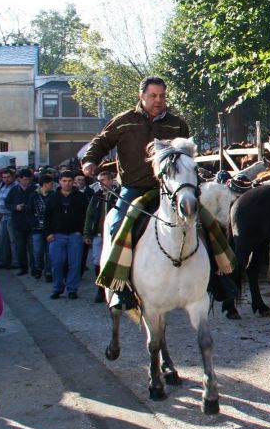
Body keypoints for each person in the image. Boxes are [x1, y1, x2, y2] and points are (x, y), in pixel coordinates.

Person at [80, 76, 189, 309]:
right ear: (141, 96)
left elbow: (186, 154)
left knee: (203, 219)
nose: (159, 100)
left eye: (162, 96)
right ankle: (120, 287)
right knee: (117, 224)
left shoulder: (177, 124)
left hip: (169, 188)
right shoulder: (123, 121)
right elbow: (100, 142)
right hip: (135, 188)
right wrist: (90, 161)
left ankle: (217, 279)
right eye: (153, 95)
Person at [43, 171, 88, 300]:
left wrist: (82, 232)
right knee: (56, 263)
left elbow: (86, 216)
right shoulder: (53, 197)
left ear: (73, 181)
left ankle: (72, 289)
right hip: (57, 236)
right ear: (60, 181)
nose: (67, 183)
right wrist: (48, 233)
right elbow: (46, 217)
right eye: (64, 181)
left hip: (75, 235)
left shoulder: (80, 197)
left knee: (75, 264)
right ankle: (58, 288)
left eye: (69, 181)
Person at [83, 170, 119, 303]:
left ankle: (115, 289)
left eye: (103, 180)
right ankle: (101, 289)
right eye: (99, 181)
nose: (101, 183)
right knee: (97, 262)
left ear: (110, 180)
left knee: (114, 261)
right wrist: (87, 233)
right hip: (98, 234)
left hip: (114, 235)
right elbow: (89, 215)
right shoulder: (96, 196)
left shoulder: (117, 195)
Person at [5, 169, 35, 276]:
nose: (27, 181)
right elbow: (7, 203)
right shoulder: (14, 190)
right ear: (20, 179)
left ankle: (34, 268)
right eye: (25, 179)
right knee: (20, 247)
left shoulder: (34, 189)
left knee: (32, 247)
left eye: (29, 179)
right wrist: (15, 207)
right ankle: (23, 268)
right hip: (18, 222)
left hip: (31, 223)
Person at [27, 174, 55, 280]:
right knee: (37, 250)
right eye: (51, 184)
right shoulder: (33, 195)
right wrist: (34, 223)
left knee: (49, 252)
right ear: (45, 184)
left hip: (50, 229)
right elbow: (29, 211)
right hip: (37, 229)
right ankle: (38, 267)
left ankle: (48, 271)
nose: (53, 185)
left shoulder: (53, 195)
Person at [0, 169, 17, 269]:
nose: (6, 179)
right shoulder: (4, 186)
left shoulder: (15, 187)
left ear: (13, 176)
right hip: (3, 216)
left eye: (8, 177)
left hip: (12, 216)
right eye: (4, 177)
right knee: (1, 239)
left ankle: (15, 262)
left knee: (13, 240)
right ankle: (3, 260)